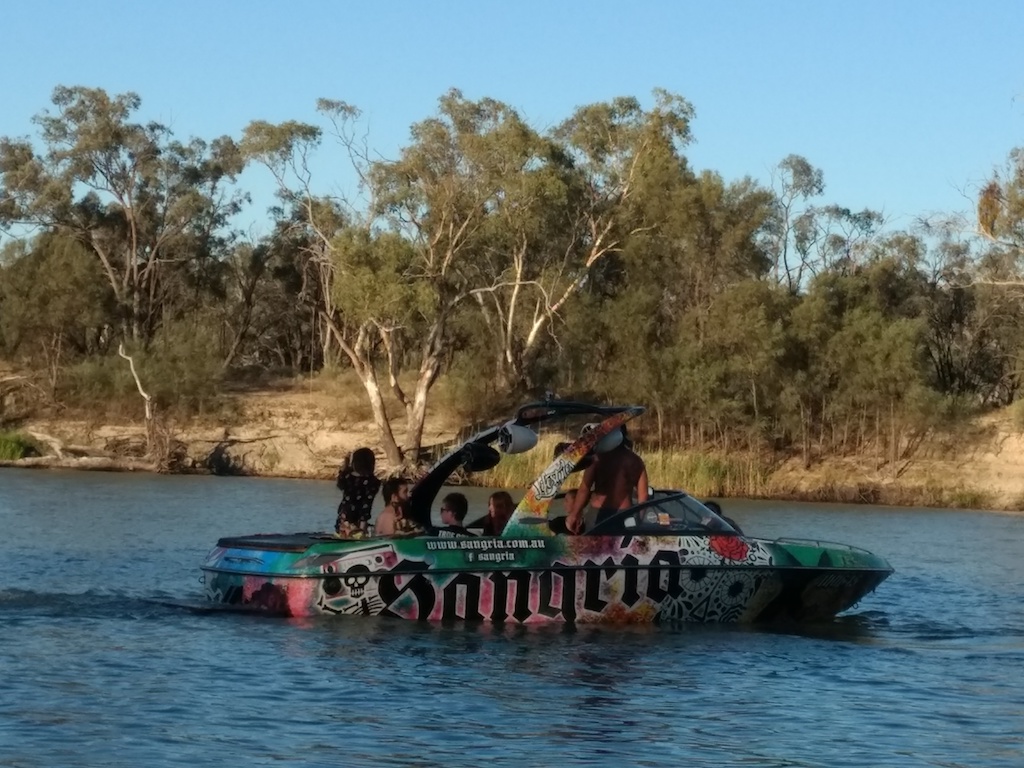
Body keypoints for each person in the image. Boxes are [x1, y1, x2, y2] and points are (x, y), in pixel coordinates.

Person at [567, 426, 648, 534]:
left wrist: (574, 514)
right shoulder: (636, 460)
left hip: (598, 512)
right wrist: (639, 519)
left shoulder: (598, 458)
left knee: (594, 544)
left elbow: (584, 488)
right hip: (625, 514)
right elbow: (643, 495)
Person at [334, 447, 381, 538]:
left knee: (342, 534)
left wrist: (346, 465)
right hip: (359, 519)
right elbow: (366, 505)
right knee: (358, 534)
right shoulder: (373, 482)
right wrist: (362, 528)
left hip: (344, 516)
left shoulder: (347, 477)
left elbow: (340, 483)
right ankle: (360, 532)